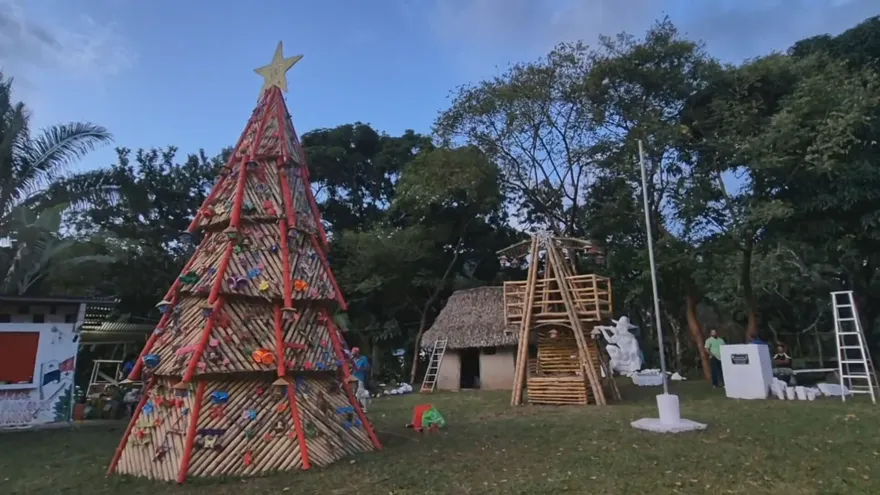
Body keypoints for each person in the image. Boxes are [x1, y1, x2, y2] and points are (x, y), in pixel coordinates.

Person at [350, 347, 371, 412]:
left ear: (357, 353)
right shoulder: (352, 359)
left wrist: (360, 369)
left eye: (354, 354)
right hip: (353, 377)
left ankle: (363, 408)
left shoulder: (363, 358)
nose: (353, 355)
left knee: (361, 392)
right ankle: (356, 407)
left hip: (360, 377)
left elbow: (367, 368)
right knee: (353, 392)